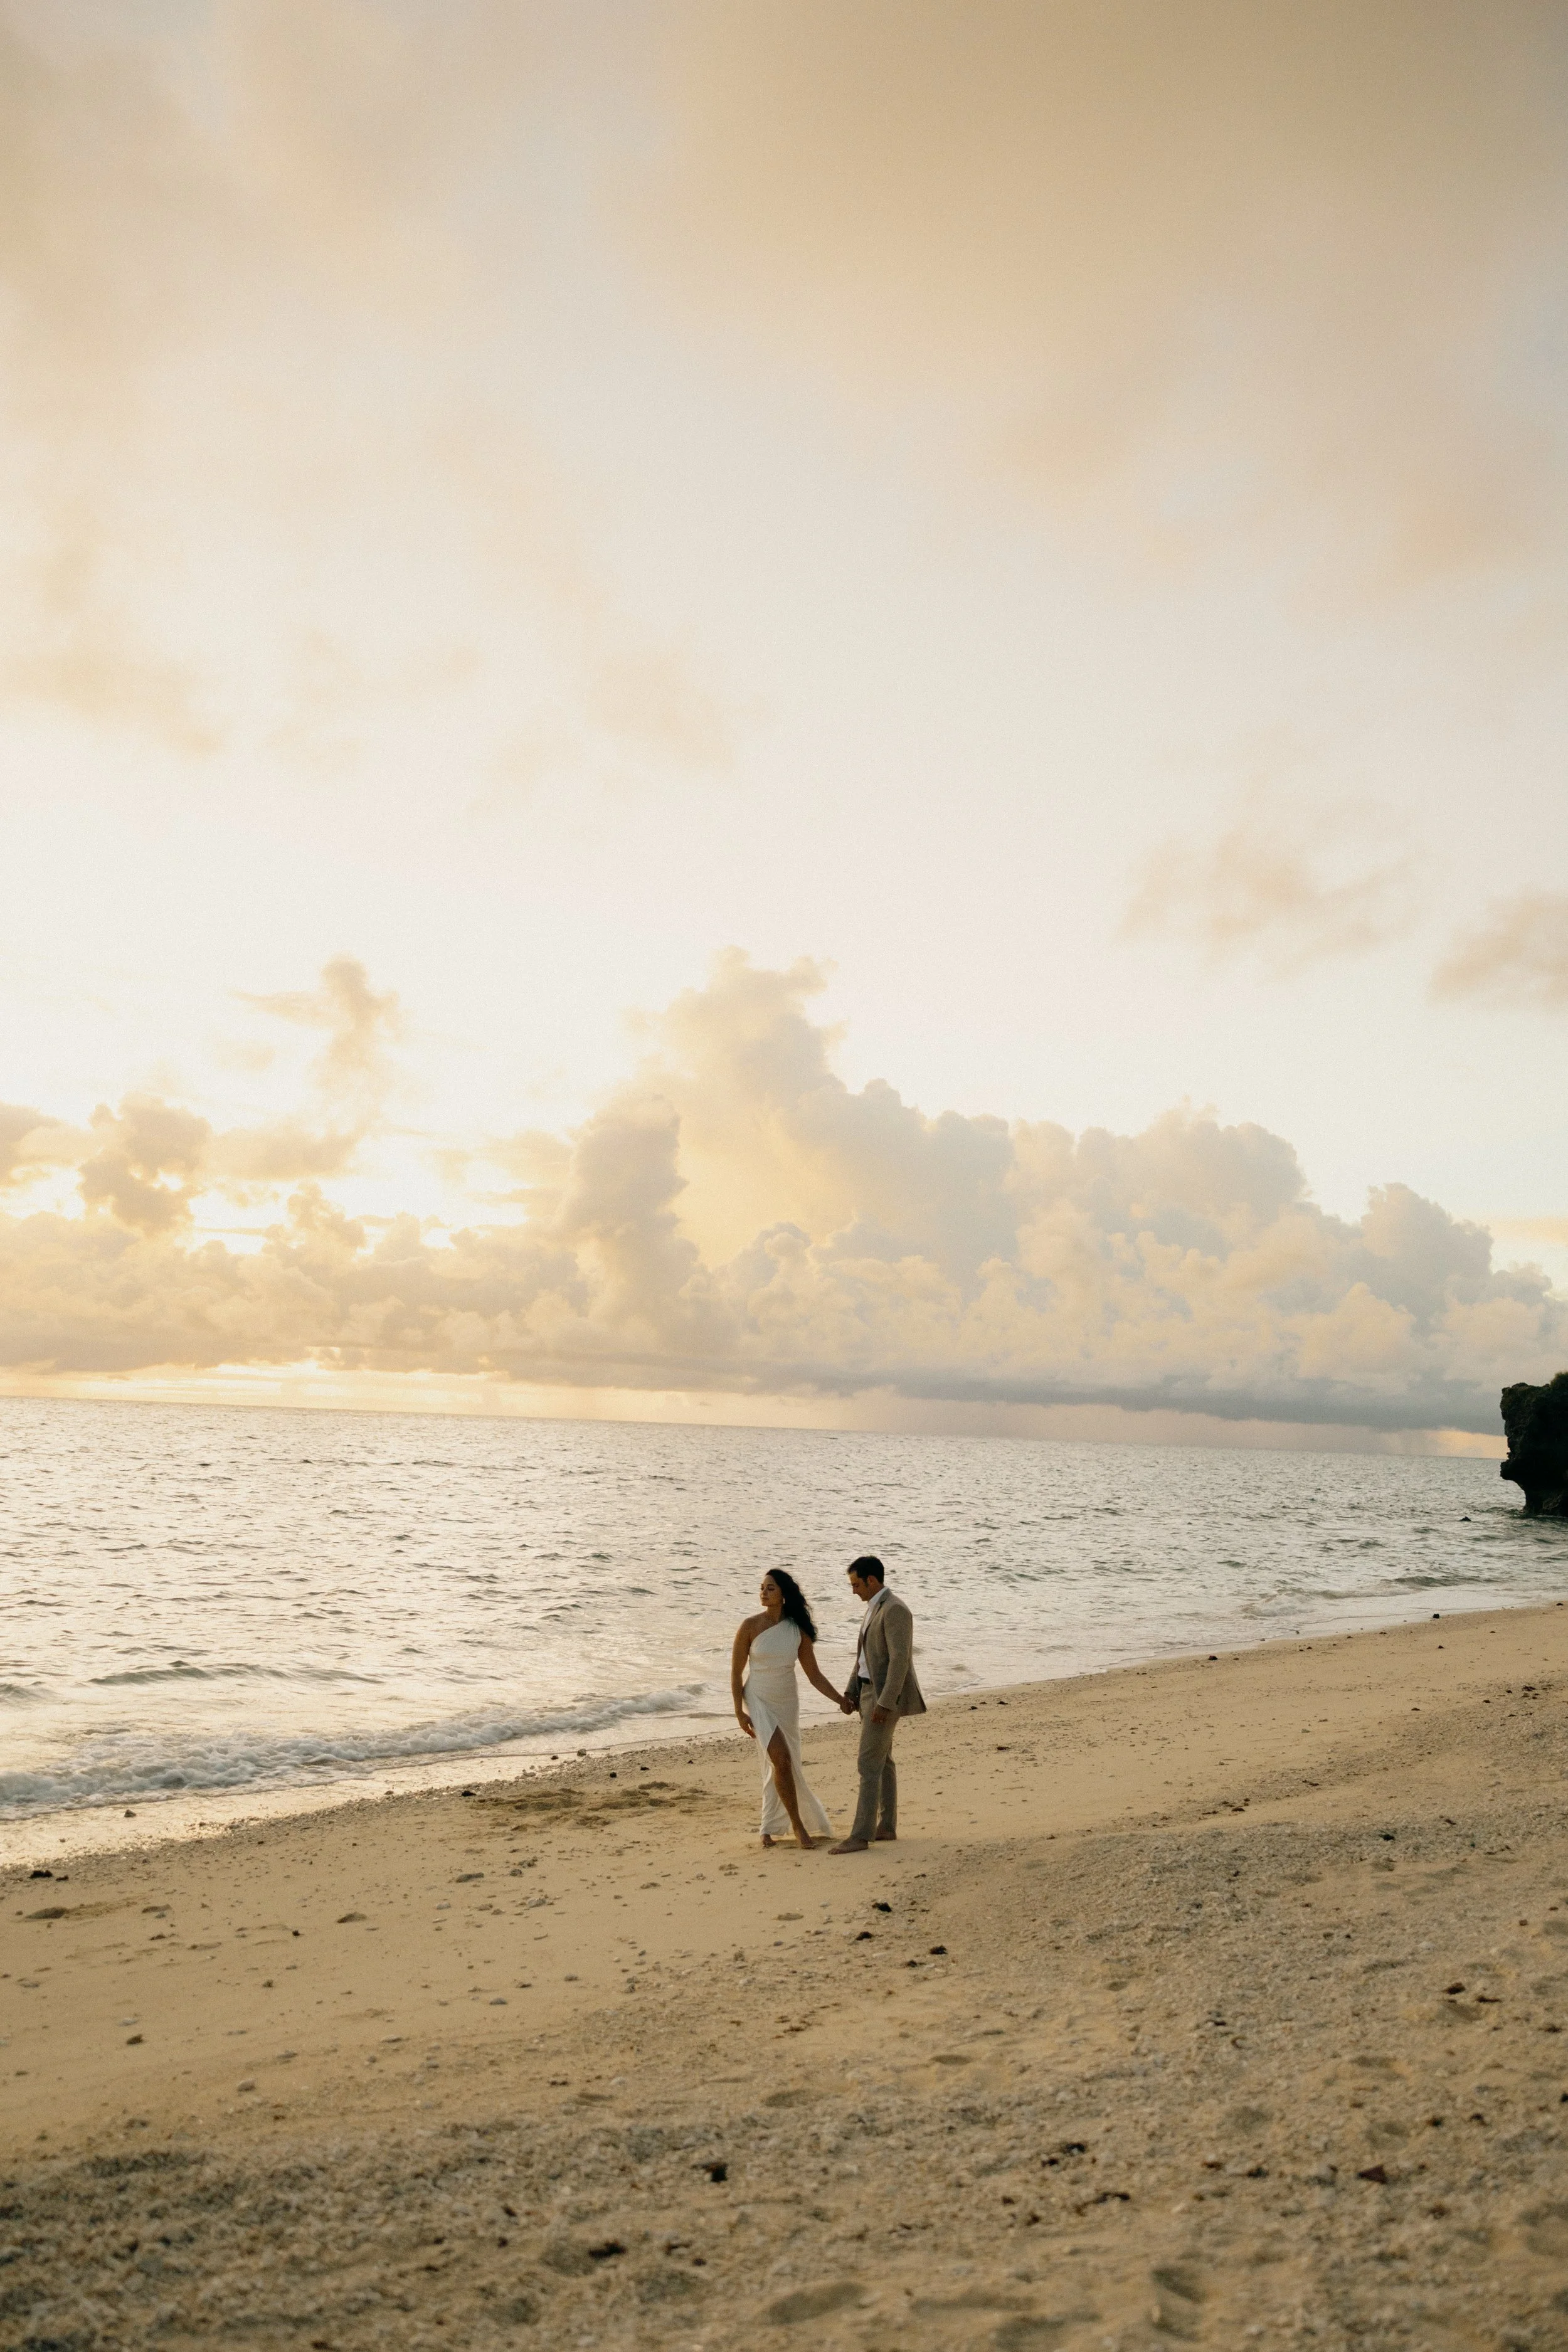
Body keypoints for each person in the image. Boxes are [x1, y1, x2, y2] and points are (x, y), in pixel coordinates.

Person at [731, 1570, 843, 1849]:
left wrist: (840, 1700)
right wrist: (738, 1711)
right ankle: (798, 1825)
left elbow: (814, 1675)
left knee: (782, 1764)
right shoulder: (749, 1626)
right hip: (757, 1698)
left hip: (786, 1701)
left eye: (770, 1588)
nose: (764, 1593)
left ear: (784, 1594)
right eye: (761, 1588)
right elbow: (735, 1673)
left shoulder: (797, 1630)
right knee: (781, 1760)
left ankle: (768, 1826)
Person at [830, 1555, 924, 1855]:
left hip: (884, 1699)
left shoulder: (896, 1610)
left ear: (872, 1581)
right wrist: (851, 1692)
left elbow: (900, 1661)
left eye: (856, 1584)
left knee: (867, 1763)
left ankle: (860, 1836)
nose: (853, 1591)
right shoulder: (874, 1608)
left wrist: (885, 1704)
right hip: (868, 1694)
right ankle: (887, 1827)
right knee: (883, 1761)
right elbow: (863, 1658)